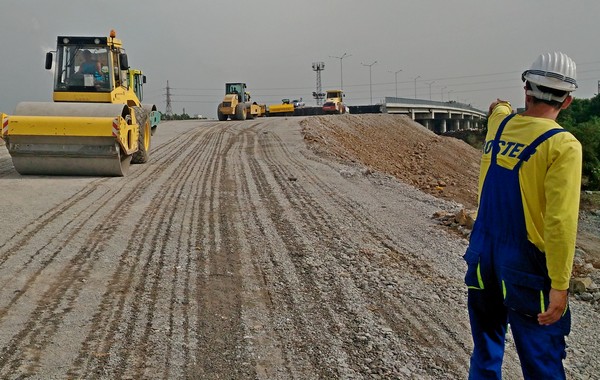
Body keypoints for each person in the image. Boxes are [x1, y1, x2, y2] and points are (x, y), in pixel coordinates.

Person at [464, 52, 582, 379]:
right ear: (568, 100)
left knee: (486, 351)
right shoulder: (562, 145)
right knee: (541, 364)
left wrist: (500, 105)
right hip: (526, 271)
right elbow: (560, 222)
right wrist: (560, 284)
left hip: (483, 258)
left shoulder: (499, 126)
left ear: (526, 89)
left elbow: (498, 108)